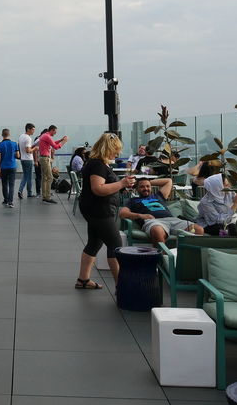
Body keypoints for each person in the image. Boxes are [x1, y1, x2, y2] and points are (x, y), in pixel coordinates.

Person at [76, 133, 135, 289]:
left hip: (94, 208)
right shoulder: (98, 165)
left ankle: (83, 280)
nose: (118, 153)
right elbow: (98, 189)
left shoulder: (97, 164)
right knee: (115, 245)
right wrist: (121, 184)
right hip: (99, 210)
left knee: (94, 243)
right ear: (108, 148)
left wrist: (120, 188)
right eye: (116, 149)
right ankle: (121, 287)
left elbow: (104, 187)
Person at [120, 177, 204, 243]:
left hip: (173, 220)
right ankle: (163, 259)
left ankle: (186, 257)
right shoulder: (132, 201)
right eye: (142, 187)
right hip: (154, 222)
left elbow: (168, 181)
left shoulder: (158, 196)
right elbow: (122, 213)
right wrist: (140, 216)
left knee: (198, 229)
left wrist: (147, 181)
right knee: (157, 231)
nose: (145, 188)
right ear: (136, 189)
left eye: (148, 186)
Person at [195, 164, 237, 234]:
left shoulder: (229, 193)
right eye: (226, 185)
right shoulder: (205, 202)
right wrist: (235, 205)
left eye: (228, 184)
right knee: (229, 230)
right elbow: (218, 221)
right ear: (217, 187)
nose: (228, 187)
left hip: (228, 221)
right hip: (211, 224)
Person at [37, 124, 69, 203]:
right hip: (45, 158)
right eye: (55, 131)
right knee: (50, 177)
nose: (55, 133)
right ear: (52, 130)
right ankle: (47, 197)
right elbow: (56, 147)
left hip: (42, 158)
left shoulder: (45, 136)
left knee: (45, 177)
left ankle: (44, 195)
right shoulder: (47, 136)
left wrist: (61, 140)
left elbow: (53, 143)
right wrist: (64, 142)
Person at [0, 129, 19, 207]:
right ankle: (10, 201)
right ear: (9, 134)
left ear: (2, 135)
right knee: (12, 184)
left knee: (4, 184)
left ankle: (5, 200)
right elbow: (18, 155)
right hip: (12, 166)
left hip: (3, 167)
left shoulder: (0, 145)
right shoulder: (14, 144)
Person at [17, 123, 37, 199]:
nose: (33, 131)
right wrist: (35, 148)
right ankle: (29, 193)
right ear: (28, 129)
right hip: (28, 159)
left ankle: (20, 190)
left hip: (23, 159)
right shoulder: (28, 138)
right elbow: (28, 150)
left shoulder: (21, 136)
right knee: (29, 177)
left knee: (25, 176)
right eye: (32, 129)